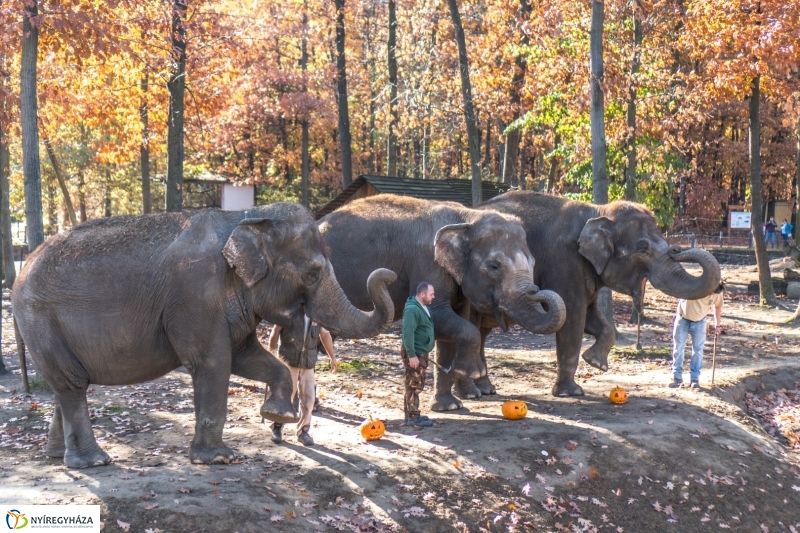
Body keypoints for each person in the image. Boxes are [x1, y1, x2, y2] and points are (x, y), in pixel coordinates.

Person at [268, 321, 337, 446]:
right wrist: (270, 355)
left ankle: (303, 431)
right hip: (288, 361)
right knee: (285, 396)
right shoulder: (288, 310)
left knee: (309, 398)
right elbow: (275, 331)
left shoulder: (317, 314)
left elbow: (325, 335)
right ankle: (277, 427)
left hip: (308, 363)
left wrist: (332, 357)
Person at [669, 282, 724, 389]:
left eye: (714, 293)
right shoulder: (695, 287)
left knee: (698, 350)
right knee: (678, 347)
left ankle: (695, 379)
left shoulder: (718, 293)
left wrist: (717, 325)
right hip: (683, 319)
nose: (712, 294)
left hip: (700, 321)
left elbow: (717, 307)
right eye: (711, 292)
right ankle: (677, 378)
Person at [401, 282, 436, 428]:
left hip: (421, 352)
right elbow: (407, 333)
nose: (433, 297)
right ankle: (413, 418)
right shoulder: (412, 310)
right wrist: (412, 355)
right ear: (422, 294)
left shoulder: (424, 307)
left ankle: (411, 414)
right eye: (431, 294)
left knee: (415, 383)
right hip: (415, 353)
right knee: (414, 384)